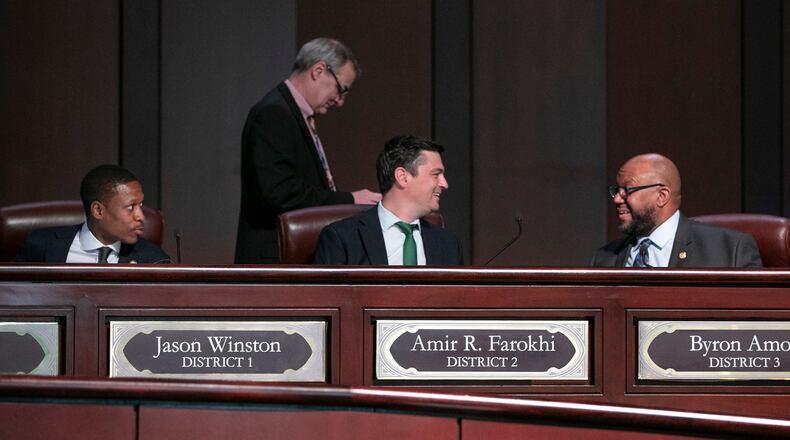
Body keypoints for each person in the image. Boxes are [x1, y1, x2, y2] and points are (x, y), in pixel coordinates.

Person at [235, 37, 381, 263]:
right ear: (319, 70)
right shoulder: (274, 114)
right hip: (275, 261)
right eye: (340, 89)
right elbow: (279, 192)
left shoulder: (295, 114)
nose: (340, 101)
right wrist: (349, 200)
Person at [592, 153, 762, 267]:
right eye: (616, 190)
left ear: (661, 196)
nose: (617, 199)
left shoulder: (730, 250)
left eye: (627, 190)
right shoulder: (604, 259)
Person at [314, 135, 463, 265]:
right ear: (402, 177)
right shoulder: (342, 238)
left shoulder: (448, 244)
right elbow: (327, 297)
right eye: (436, 174)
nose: (445, 184)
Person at [14, 165, 170, 264]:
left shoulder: (154, 260)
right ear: (98, 210)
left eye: (140, 205)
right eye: (130, 207)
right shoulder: (41, 246)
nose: (141, 216)